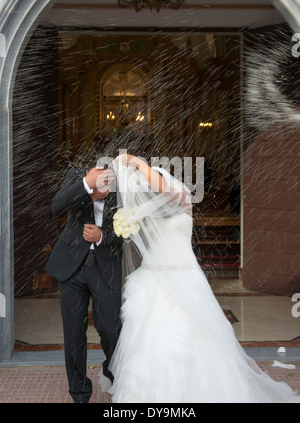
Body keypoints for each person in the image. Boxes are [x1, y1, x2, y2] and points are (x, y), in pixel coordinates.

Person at [106, 153, 300, 403]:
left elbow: (165, 189)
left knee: (191, 335)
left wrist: (138, 164)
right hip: (153, 278)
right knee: (149, 338)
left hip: (183, 276)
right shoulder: (148, 212)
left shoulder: (181, 197)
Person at [45, 165, 123, 403]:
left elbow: (130, 230)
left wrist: (102, 236)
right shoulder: (77, 177)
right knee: (73, 334)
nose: (101, 194)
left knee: (110, 328)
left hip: (105, 267)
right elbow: (56, 206)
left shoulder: (122, 188)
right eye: (97, 189)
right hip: (72, 266)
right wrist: (85, 185)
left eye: (106, 190)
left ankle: (112, 371)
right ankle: (79, 393)